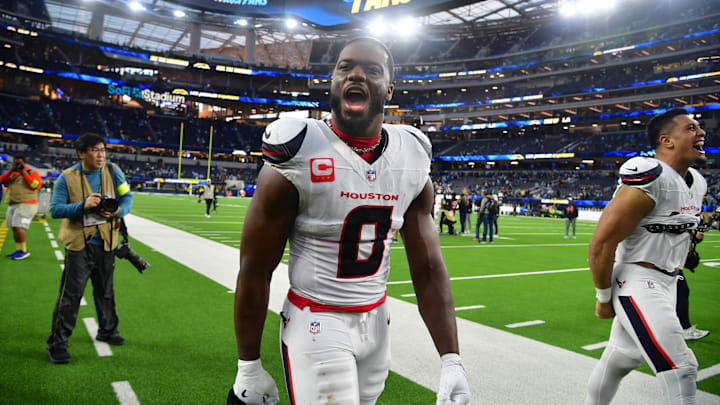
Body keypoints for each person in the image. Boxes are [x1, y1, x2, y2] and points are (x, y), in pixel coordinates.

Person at [228, 37, 469, 405]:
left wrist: (452, 360)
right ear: (332, 80)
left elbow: (429, 268)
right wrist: (248, 365)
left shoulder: (412, 156)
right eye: (345, 67)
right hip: (316, 321)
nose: (356, 74)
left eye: (371, 69)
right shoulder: (297, 151)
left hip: (377, 324)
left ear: (389, 88)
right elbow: (255, 267)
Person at [585, 108, 707, 404]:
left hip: (669, 281)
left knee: (619, 360)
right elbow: (601, 245)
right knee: (682, 368)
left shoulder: (698, 182)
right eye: (691, 128)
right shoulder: (650, 177)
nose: (701, 132)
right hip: (638, 280)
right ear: (666, 140)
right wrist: (603, 299)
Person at [46, 133, 133, 364]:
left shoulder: (114, 172)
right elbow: (55, 210)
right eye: (95, 150)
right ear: (81, 153)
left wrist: (117, 212)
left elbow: (127, 199)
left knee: (106, 292)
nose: (100, 154)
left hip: (106, 242)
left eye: (103, 150)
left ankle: (108, 330)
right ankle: (57, 343)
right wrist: (82, 206)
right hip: (78, 245)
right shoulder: (66, 177)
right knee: (71, 295)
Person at [1, 152, 43, 260]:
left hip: (26, 204)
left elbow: (36, 185)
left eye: (20, 163)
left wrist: (24, 173)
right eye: (16, 163)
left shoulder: (32, 172)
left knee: (18, 227)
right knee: (14, 227)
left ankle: (23, 251)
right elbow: (2, 180)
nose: (18, 165)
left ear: (25, 163)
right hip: (13, 203)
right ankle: (19, 250)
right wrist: (11, 170)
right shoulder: (13, 173)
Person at [676, 221, 709, 340]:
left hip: (669, 261)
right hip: (665, 262)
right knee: (682, 291)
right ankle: (685, 329)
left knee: (679, 292)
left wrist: (696, 238)